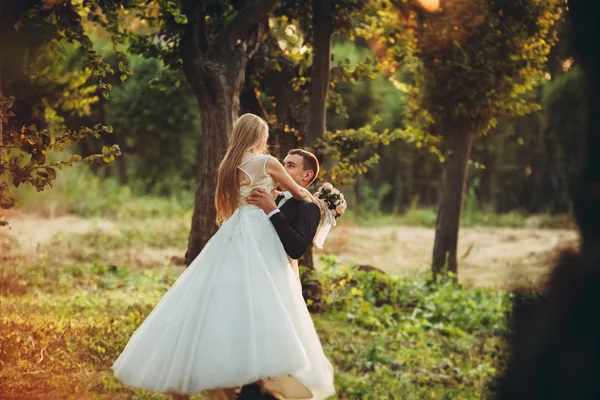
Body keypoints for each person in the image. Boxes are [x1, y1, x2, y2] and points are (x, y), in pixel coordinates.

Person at [111, 114, 335, 400]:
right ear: (259, 136)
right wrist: (319, 203)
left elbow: (238, 201)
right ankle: (262, 365)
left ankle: (229, 376)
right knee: (268, 293)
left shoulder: (228, 166)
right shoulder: (266, 162)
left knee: (222, 295)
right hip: (258, 230)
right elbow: (298, 192)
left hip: (234, 228)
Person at [245, 149, 322, 284]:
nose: (281, 168)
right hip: (250, 270)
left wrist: (273, 211)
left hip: (276, 279)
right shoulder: (269, 197)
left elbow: (296, 249)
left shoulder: (309, 207)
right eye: (283, 164)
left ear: (307, 175)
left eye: (290, 166)